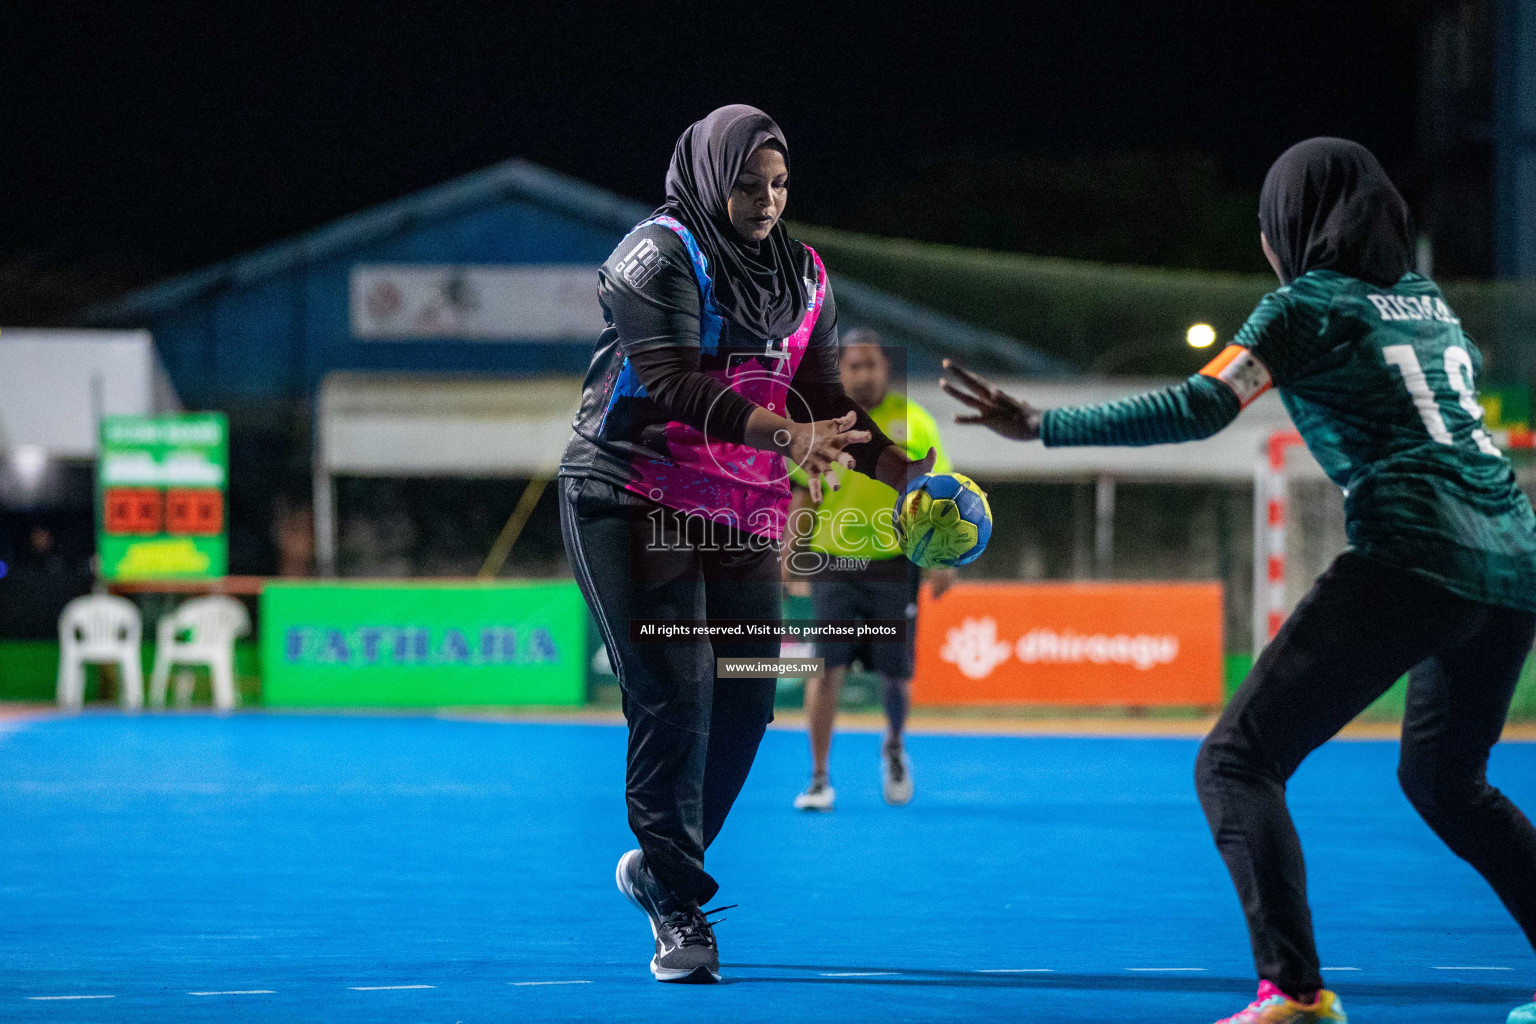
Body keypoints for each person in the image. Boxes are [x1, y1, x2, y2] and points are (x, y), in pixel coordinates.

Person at [941, 138, 1536, 1024]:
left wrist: (1044, 426)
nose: (1267, 243)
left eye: (1270, 224)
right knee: (1450, 785)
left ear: (1296, 225)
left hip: (1415, 553)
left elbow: (1199, 406)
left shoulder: (1300, 305)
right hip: (1515, 563)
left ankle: (1292, 992)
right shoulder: (1431, 305)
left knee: (1237, 761)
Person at [559, 104, 933, 984]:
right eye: (748, 184)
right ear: (706, 179)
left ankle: (657, 871)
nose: (767, 200)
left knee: (749, 705)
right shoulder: (655, 254)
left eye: (780, 185)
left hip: (738, 514)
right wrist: (786, 437)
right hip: (627, 495)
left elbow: (823, 393)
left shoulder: (803, 273)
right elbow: (671, 379)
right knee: (675, 694)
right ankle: (681, 912)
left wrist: (908, 475)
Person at [784, 331, 956, 810]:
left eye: (871, 365)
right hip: (834, 560)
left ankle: (895, 745)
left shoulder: (915, 421)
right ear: (840, 372)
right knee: (825, 668)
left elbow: (936, 496)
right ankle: (819, 778)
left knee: (896, 675)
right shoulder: (822, 421)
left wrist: (941, 558)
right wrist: (789, 553)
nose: (862, 373)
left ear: (886, 368)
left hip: (897, 561)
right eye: (853, 366)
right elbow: (802, 491)